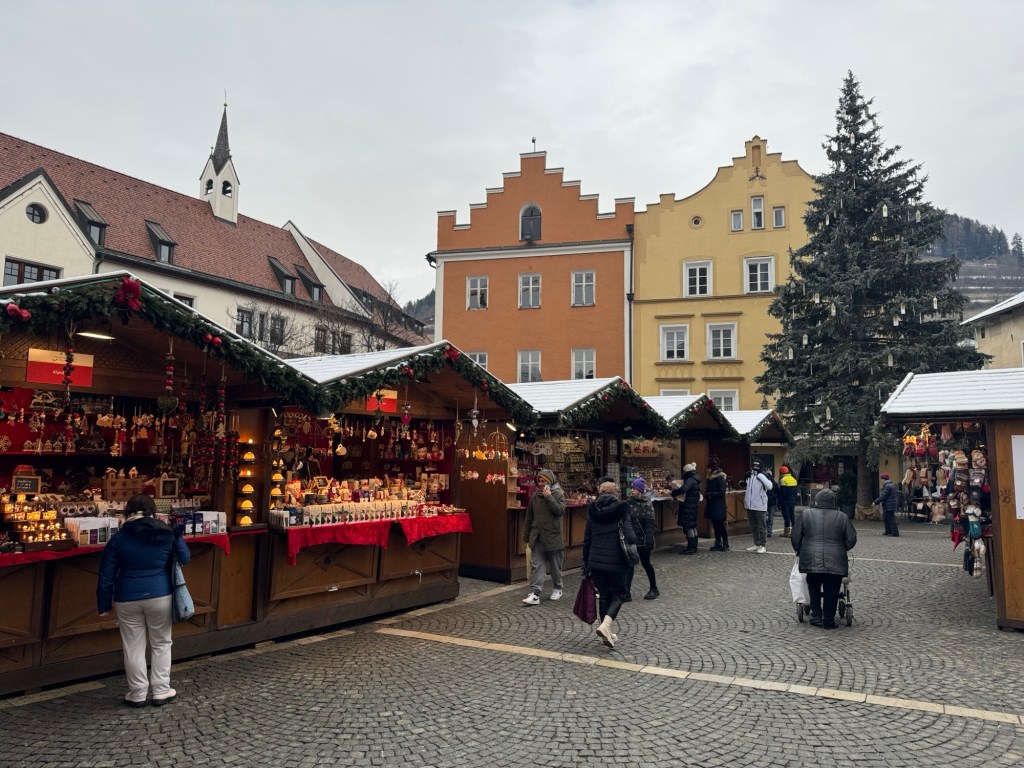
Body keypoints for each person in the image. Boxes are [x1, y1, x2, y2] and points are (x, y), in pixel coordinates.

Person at [97, 493, 190, 707]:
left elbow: (106, 575)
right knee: (162, 643)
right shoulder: (165, 531)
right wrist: (177, 536)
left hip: (127, 596)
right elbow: (184, 557)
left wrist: (104, 604)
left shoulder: (119, 537)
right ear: (152, 510)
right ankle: (161, 690)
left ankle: (137, 692)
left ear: (127, 511)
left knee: (133, 646)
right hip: (160, 593)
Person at [791, 488, 857, 629]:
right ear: (833, 502)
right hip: (836, 559)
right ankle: (828, 619)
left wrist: (800, 550)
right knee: (832, 589)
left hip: (811, 557)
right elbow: (851, 539)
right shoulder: (842, 517)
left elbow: (796, 536)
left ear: (816, 501)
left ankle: (816, 615)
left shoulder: (806, 514)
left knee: (813, 585)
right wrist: (842, 547)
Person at [583, 480, 636, 647]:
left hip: (595, 561)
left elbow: (587, 539)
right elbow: (630, 537)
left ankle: (606, 632)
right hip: (615, 561)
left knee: (604, 595)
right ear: (616, 493)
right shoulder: (621, 510)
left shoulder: (593, 511)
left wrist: (586, 563)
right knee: (620, 594)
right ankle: (606, 625)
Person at [521, 468, 566, 605]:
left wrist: (549, 497)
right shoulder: (535, 496)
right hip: (537, 536)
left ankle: (558, 588)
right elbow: (529, 517)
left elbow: (560, 510)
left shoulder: (558, 494)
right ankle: (535, 593)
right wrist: (527, 536)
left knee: (555, 566)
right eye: (539, 481)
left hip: (553, 536)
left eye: (544, 481)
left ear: (550, 481)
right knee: (537, 565)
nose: (541, 484)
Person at [626, 477, 658, 599]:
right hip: (632, 538)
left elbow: (650, 525)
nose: (632, 490)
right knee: (630, 565)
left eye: (634, 488)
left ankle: (654, 588)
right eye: (631, 488)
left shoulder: (646, 504)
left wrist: (648, 541)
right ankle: (626, 592)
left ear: (640, 490)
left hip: (643, 539)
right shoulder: (629, 503)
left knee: (646, 563)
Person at [671, 462, 701, 555]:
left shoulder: (689, 480)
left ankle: (691, 548)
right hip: (692, 505)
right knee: (692, 526)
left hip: (688, 505)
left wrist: (673, 493)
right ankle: (694, 546)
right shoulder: (696, 479)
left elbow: (683, 489)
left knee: (688, 526)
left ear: (687, 472)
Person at [743, 460, 772, 553]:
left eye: (757, 465)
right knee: (753, 526)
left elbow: (770, 486)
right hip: (750, 505)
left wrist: (761, 477)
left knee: (762, 526)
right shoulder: (749, 475)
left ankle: (763, 545)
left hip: (760, 505)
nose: (755, 467)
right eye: (754, 465)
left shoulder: (762, 475)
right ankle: (756, 543)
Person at [704, 461, 729, 552]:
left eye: (708, 468)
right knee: (715, 525)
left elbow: (722, 492)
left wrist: (710, 494)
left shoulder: (719, 478)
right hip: (712, 504)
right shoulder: (710, 478)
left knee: (720, 525)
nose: (706, 470)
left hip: (719, 505)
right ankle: (718, 542)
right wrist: (707, 494)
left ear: (712, 469)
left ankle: (725, 543)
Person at [874, 472, 901, 537]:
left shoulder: (887, 486)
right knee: (886, 518)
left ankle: (894, 533)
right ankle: (888, 531)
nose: (881, 481)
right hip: (890, 505)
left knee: (891, 519)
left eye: (882, 479)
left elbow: (883, 496)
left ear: (884, 479)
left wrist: (875, 502)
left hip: (889, 505)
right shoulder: (891, 485)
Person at [779, 465, 798, 537]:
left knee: (786, 516)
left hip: (785, 501)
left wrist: (780, 502)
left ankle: (786, 533)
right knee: (792, 515)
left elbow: (783, 494)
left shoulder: (783, 480)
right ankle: (795, 532)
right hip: (792, 501)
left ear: (781, 473)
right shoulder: (793, 479)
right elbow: (795, 492)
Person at [765, 467, 779, 537]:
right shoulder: (775, 483)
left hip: (764, 502)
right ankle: (769, 531)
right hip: (772, 502)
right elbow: (778, 492)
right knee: (770, 518)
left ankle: (765, 531)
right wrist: (774, 497)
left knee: (764, 517)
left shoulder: (763, 482)